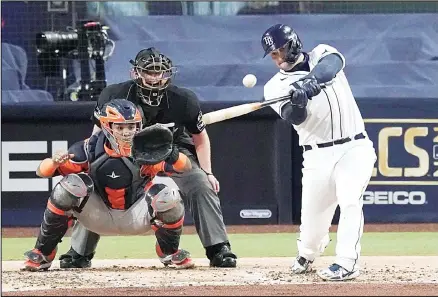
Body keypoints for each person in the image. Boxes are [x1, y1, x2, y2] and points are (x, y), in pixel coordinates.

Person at [58, 47, 237, 269]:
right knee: (97, 180)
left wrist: (208, 172)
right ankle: (79, 252)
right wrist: (91, 160)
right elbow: (99, 133)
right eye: (149, 72)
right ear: (136, 73)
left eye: (160, 72)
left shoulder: (184, 100)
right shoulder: (113, 95)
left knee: (201, 184)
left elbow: (200, 137)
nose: (155, 78)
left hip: (173, 151)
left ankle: (218, 248)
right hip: (126, 150)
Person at [261, 24, 377, 281]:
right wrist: (298, 101)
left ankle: (347, 262)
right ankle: (308, 253)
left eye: (280, 50)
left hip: (354, 146)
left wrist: (310, 82)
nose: (278, 58)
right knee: (312, 227)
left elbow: (332, 65)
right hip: (316, 155)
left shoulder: (321, 53)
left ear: (293, 44)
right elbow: (296, 118)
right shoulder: (274, 87)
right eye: (273, 55)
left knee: (350, 201)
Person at [23, 99, 195, 271]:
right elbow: (42, 172)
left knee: (169, 195)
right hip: (97, 216)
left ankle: (169, 252)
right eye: (120, 127)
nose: (127, 132)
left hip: (136, 216)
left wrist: (172, 153)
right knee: (70, 185)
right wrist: (54, 162)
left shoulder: (148, 149)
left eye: (131, 126)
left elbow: (185, 168)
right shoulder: (88, 148)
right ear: (107, 126)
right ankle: (43, 253)